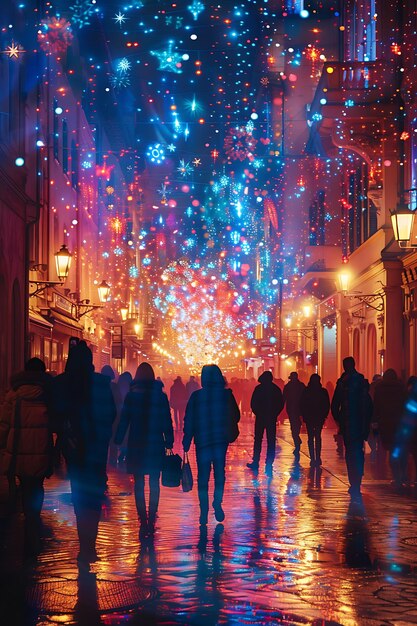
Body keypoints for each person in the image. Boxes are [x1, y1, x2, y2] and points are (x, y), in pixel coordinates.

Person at [53, 341, 116, 564]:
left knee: (79, 493)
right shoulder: (101, 384)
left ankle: (84, 545)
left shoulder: (63, 384)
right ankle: (91, 544)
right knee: (94, 494)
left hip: (73, 448)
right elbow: (111, 413)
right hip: (97, 447)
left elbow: (55, 415)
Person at [0, 358, 53, 558]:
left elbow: (4, 424)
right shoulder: (47, 396)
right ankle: (33, 521)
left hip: (18, 452)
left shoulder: (14, 396)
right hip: (40, 452)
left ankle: (24, 524)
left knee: (22, 486)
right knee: (36, 486)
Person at [114, 362, 174, 538]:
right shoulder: (160, 397)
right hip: (155, 442)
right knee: (154, 482)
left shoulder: (132, 397)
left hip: (137, 443)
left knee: (139, 483)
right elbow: (166, 420)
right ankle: (152, 516)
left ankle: (142, 518)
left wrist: (118, 439)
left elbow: (124, 419)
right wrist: (169, 439)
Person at [183, 364, 240, 526]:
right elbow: (236, 415)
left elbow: (189, 419)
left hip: (202, 441)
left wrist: (187, 439)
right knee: (219, 474)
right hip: (220, 440)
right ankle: (217, 502)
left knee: (203, 476)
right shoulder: (226, 395)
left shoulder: (196, 397)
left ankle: (204, 511)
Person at [331, 356, 373, 500]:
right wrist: (368, 420)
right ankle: (358, 479)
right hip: (360, 423)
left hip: (348, 423)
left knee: (350, 453)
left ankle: (353, 482)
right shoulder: (362, 381)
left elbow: (335, 404)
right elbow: (368, 403)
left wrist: (338, 420)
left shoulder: (342, 383)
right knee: (358, 451)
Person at [372, 369, 406, 487]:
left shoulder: (380, 388)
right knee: (399, 450)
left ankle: (396, 476)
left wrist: (375, 421)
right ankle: (402, 476)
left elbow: (375, 406)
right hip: (399, 423)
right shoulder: (401, 388)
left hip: (385, 423)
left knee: (390, 449)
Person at [246, 371, 284, 475]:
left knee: (258, 439)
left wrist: (257, 412)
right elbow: (280, 403)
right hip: (271, 417)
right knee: (271, 440)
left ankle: (256, 461)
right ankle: (269, 461)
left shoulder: (259, 389)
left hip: (260, 417)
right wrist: (275, 413)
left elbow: (253, 402)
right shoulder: (275, 389)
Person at [300, 373, 330, 467]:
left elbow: (302, 404)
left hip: (310, 417)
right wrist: (324, 415)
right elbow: (326, 404)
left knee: (310, 438)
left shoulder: (306, 391)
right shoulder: (323, 391)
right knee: (317, 436)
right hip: (319, 417)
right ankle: (317, 456)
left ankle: (312, 458)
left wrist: (304, 416)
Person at [283, 372, 306, 455]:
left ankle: (297, 440)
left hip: (292, 409)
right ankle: (297, 440)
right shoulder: (301, 386)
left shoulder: (287, 387)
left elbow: (284, 398)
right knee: (297, 425)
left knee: (293, 427)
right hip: (300, 409)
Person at [114, 371, 133, 464]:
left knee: (124, 438)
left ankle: (123, 454)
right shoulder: (132, 391)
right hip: (128, 419)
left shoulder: (117, 390)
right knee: (127, 438)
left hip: (120, 418)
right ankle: (124, 454)